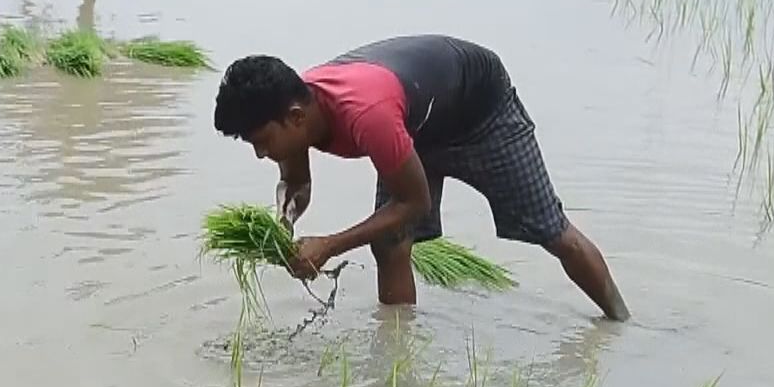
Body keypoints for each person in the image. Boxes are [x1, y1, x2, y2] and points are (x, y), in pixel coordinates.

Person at [212, 36, 629, 320]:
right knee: (390, 244)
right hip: (415, 119)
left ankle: (620, 322)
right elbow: (297, 184)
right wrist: (284, 225)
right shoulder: (295, 109)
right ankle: (397, 356)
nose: (261, 153)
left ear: (295, 118)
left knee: (551, 231)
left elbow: (414, 204)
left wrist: (330, 245)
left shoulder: (366, 116)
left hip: (482, 111)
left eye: (263, 141)